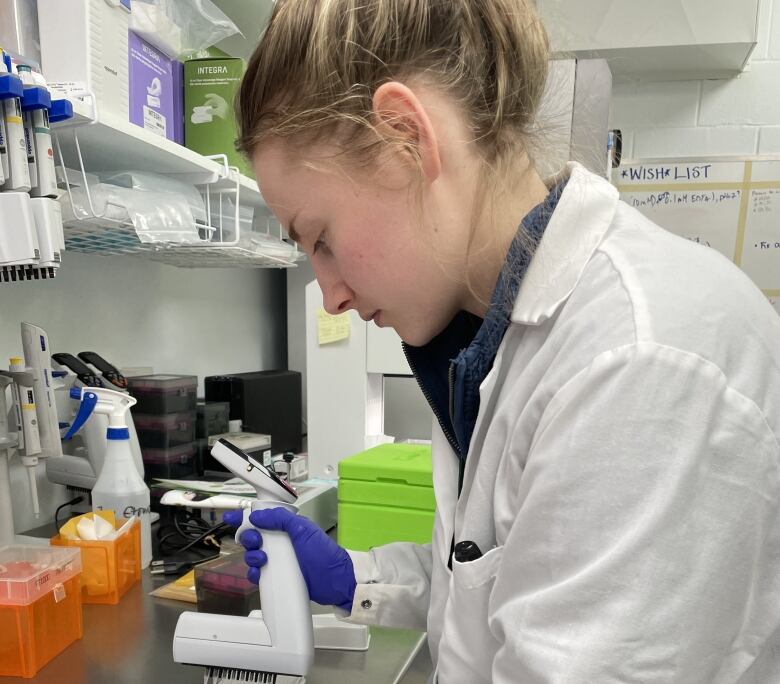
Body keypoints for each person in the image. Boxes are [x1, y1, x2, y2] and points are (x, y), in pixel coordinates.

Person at [222, 1, 780, 681]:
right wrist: (355, 577)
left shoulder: (637, 362)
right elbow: (509, 572)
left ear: (407, 137)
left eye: (323, 239)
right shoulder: (490, 340)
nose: (330, 293)